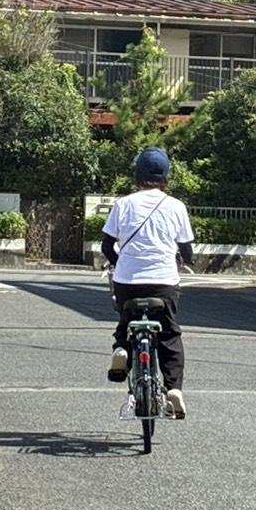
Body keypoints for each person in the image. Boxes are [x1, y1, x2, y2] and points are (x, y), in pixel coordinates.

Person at [101, 147, 195, 420]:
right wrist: (182, 261)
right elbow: (187, 252)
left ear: (137, 175)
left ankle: (121, 350)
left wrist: (119, 264)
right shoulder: (177, 206)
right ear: (166, 176)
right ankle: (174, 389)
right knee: (169, 334)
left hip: (128, 281)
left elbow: (107, 245)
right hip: (164, 283)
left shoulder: (123, 204)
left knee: (126, 324)